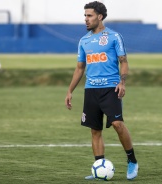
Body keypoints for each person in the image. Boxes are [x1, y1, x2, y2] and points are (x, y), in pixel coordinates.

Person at [64, 1, 138, 180]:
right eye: (85, 16)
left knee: (117, 124)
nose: (86, 19)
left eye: (89, 16)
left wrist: (122, 82)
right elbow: (80, 68)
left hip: (110, 88)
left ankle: (132, 161)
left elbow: (124, 61)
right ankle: (99, 166)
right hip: (91, 90)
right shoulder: (84, 40)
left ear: (100, 16)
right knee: (95, 130)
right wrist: (70, 90)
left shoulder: (114, 36)